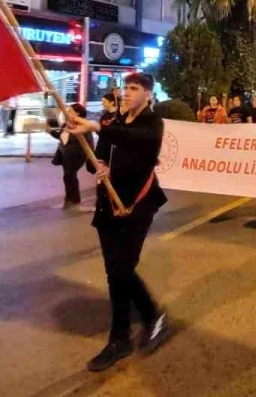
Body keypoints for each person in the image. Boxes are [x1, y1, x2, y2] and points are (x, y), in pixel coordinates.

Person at [69, 73, 170, 372]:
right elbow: (95, 159)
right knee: (116, 271)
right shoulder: (114, 123)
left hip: (137, 206)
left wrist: (97, 126)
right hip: (108, 207)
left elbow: (137, 142)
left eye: (134, 88)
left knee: (121, 269)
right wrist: (98, 165)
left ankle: (124, 335)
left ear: (148, 95)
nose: (127, 93)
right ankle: (145, 320)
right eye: (125, 87)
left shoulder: (152, 124)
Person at [49, 103, 94, 209]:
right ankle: (71, 198)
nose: (67, 112)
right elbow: (62, 135)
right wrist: (51, 131)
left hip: (77, 155)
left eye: (70, 110)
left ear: (77, 113)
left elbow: (88, 143)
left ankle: (72, 199)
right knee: (69, 176)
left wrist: (90, 157)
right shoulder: (67, 124)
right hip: (65, 154)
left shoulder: (83, 125)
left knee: (69, 175)